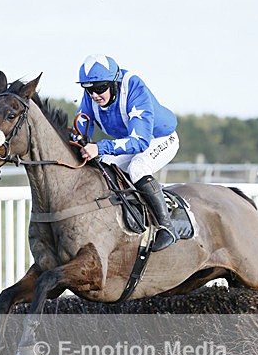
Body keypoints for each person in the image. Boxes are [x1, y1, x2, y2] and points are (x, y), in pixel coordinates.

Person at [74, 54, 179, 251]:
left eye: (100, 88)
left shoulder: (134, 88)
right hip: (129, 141)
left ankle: (167, 227)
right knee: (101, 164)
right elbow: (80, 130)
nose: (95, 95)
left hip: (159, 139)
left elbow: (139, 142)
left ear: (114, 83)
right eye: (88, 89)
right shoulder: (92, 96)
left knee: (138, 167)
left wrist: (100, 147)